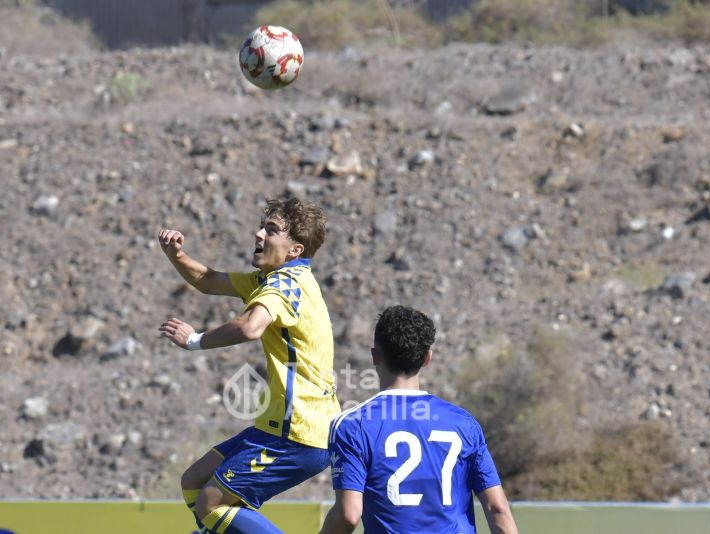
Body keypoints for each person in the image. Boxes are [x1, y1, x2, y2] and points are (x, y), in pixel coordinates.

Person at [157, 197, 340, 534]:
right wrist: (177, 255)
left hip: (297, 433)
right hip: (280, 427)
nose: (258, 234)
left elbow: (250, 327)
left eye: (271, 230)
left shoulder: (285, 285)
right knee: (194, 481)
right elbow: (209, 281)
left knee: (211, 503)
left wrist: (194, 340)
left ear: (295, 250)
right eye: (262, 227)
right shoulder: (274, 279)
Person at [320, 305, 519, 534]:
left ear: (375, 356)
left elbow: (348, 515)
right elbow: (498, 509)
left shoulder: (352, 425)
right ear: (427, 358)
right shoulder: (464, 423)